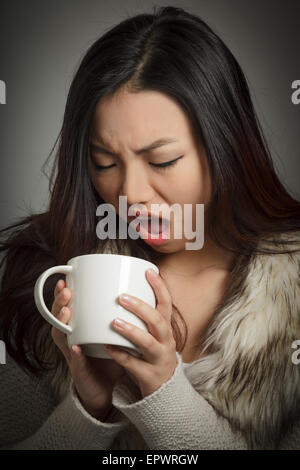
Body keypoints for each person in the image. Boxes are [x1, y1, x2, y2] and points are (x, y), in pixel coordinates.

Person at [0, 6, 300, 451]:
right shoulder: (49, 266)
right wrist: (87, 408)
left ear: (226, 146)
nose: (130, 193)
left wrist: (164, 392)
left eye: (162, 161)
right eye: (105, 163)